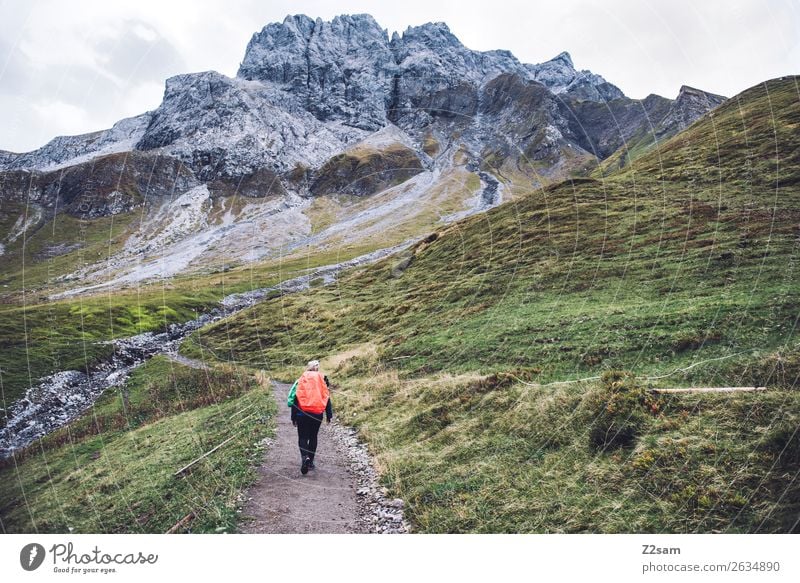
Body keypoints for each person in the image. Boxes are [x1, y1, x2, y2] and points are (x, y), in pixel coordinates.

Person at [287, 360, 333, 475]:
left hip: (302, 413)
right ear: (317, 368)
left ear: (309, 368)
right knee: (313, 437)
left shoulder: (301, 379)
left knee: (302, 437)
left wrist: (293, 416)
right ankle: (311, 461)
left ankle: (305, 458)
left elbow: (295, 398)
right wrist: (329, 414)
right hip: (317, 413)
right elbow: (326, 397)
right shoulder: (322, 379)